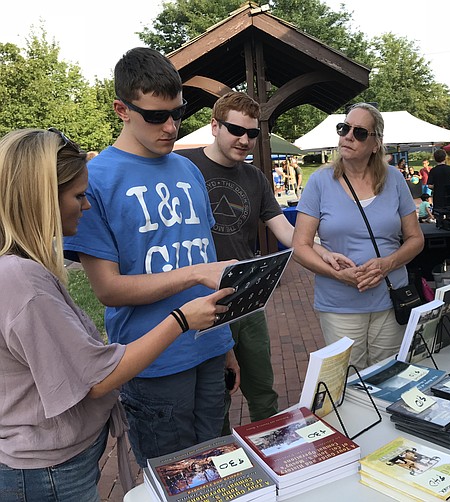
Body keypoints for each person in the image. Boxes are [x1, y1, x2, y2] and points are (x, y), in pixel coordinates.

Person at [0, 128, 232, 501]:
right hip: (47, 472)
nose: (86, 205)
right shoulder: (21, 280)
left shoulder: (22, 270)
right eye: (77, 196)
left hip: (54, 463)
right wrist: (182, 319)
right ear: (41, 199)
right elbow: (95, 376)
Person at [63, 47, 238, 468]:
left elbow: (207, 253)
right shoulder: (97, 179)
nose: (171, 127)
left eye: (178, 113)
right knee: (174, 478)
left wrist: (225, 343)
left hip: (210, 348)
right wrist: (192, 274)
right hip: (153, 363)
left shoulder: (189, 169)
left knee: (223, 471)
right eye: (156, 116)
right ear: (122, 109)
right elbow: (108, 289)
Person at [177, 91, 353, 432]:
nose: (245, 140)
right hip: (202, 300)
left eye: (252, 133)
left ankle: (271, 450)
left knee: (262, 391)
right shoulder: (185, 168)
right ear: (214, 126)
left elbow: (287, 233)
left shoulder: (255, 178)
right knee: (215, 397)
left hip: (246, 300)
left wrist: (322, 250)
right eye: (235, 130)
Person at [292, 103, 424, 368]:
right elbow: (300, 246)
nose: (348, 136)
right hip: (339, 305)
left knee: (389, 375)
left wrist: (387, 263)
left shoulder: (395, 180)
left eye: (359, 132)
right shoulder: (320, 182)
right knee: (349, 383)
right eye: (344, 128)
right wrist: (339, 275)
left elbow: (416, 239)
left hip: (390, 300)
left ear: (375, 144)